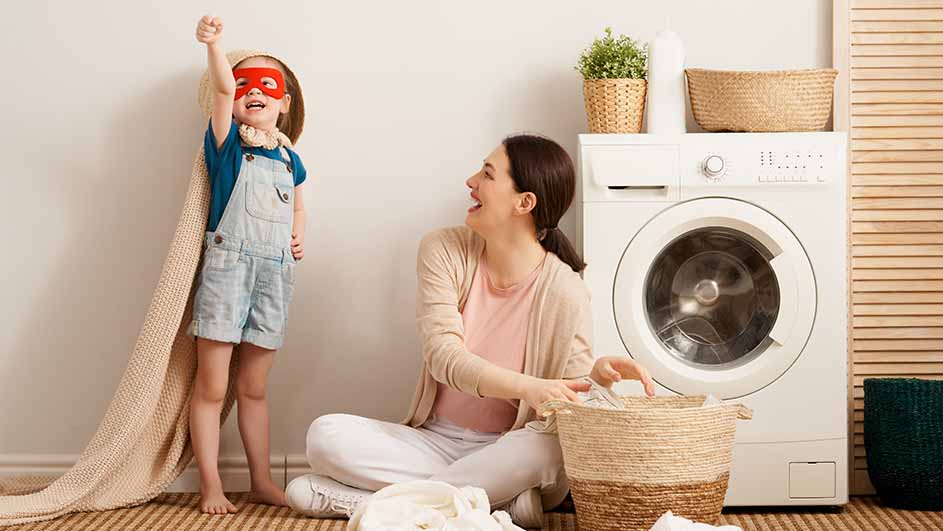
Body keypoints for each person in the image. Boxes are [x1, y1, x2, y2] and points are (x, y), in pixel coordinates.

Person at [287, 134, 653, 528]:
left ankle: (382, 503)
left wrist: (596, 379)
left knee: (548, 448)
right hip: (433, 442)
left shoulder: (566, 290)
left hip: (509, 448)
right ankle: (495, 504)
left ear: (524, 203)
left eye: (487, 174)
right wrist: (526, 386)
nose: (471, 180)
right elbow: (444, 357)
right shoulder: (444, 250)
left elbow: (567, 400)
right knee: (324, 435)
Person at [189, 15, 308, 514]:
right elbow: (220, 90)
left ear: (283, 103)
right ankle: (211, 484)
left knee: (254, 387)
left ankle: (260, 479)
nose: (252, 92)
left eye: (266, 86)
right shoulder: (227, 146)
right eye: (244, 85)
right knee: (212, 384)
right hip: (228, 270)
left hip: (274, 275)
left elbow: (298, 203)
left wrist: (299, 231)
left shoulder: (289, 158)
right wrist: (217, 50)